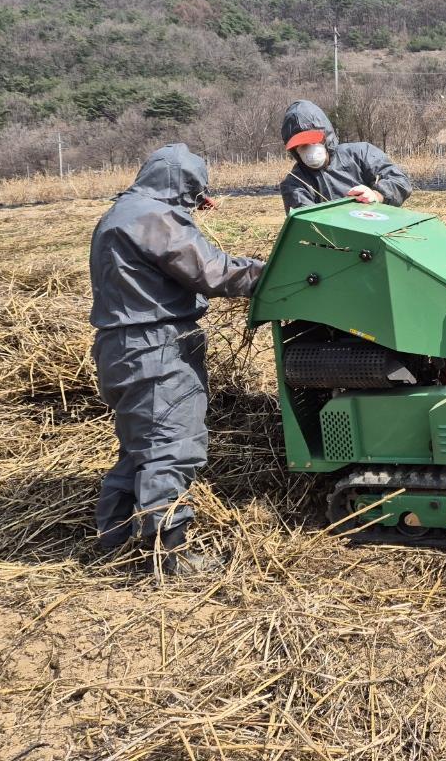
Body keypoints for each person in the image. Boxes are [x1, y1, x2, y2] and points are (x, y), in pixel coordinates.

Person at [89, 143, 264, 575]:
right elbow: (213, 272)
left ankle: (111, 539)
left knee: (139, 448)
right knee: (173, 447)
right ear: (181, 185)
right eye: (194, 196)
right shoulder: (153, 216)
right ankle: (169, 555)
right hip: (155, 348)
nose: (194, 206)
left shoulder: (121, 213)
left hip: (120, 348)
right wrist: (273, 271)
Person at [279, 99, 412, 213]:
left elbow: (400, 180)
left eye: (314, 141)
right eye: (303, 146)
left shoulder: (361, 154)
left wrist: (377, 195)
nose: (310, 150)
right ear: (295, 151)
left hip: (378, 229)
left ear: (326, 137)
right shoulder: (295, 183)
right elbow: (307, 223)